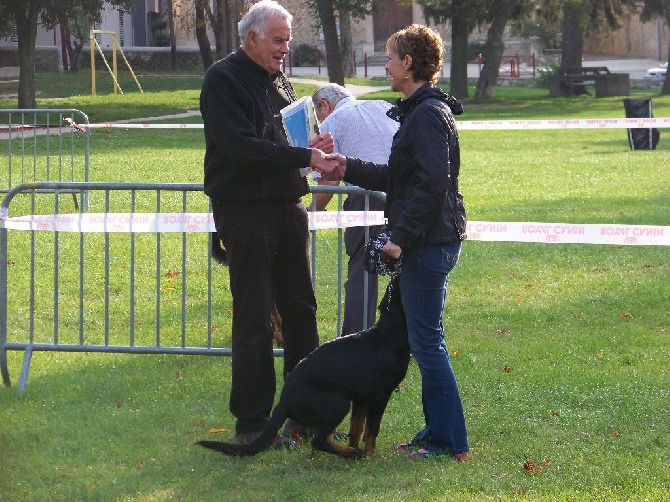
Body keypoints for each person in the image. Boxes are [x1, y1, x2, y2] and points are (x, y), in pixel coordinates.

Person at [317, 24, 470, 460]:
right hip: (428, 238)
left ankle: (450, 441)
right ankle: (437, 430)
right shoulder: (418, 111)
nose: (385, 64)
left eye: (390, 57)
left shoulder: (425, 115)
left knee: (426, 341)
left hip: (429, 241)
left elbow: (433, 186)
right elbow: (397, 179)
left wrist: (401, 237)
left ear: (408, 63)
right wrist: (345, 165)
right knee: (423, 340)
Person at [200, 0, 338, 444]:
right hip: (245, 211)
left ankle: (304, 412)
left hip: (287, 207)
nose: (285, 49)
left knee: (301, 310)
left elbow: (287, 135)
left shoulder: (279, 79)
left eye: (288, 40)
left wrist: (314, 142)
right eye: (278, 40)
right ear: (252, 37)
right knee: (255, 316)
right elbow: (241, 148)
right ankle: (253, 422)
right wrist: (303, 154)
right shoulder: (222, 80)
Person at [310, 83, 399, 336]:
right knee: (409, 269)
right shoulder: (384, 107)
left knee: (362, 269)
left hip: (368, 199)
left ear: (324, 106)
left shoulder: (332, 121)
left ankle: (355, 337)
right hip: (406, 195)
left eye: (318, 117)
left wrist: (310, 211)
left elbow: (329, 179)